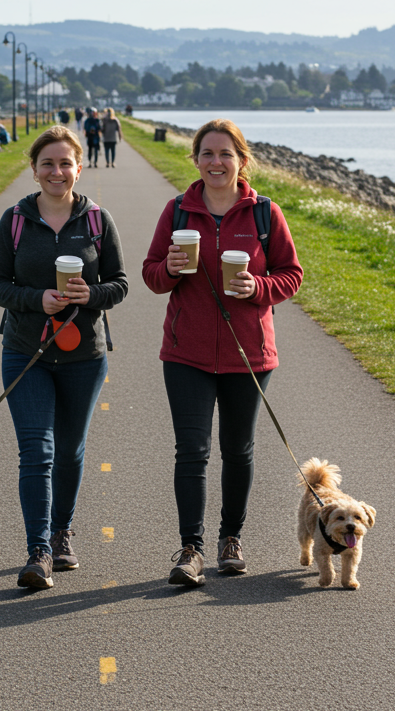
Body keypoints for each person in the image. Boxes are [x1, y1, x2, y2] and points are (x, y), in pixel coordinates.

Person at [141, 119, 303, 586]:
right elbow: (151, 276)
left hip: (248, 353)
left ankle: (230, 540)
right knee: (191, 452)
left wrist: (259, 286)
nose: (216, 162)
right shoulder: (177, 212)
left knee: (238, 450)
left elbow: (291, 275)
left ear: (242, 160)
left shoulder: (264, 214)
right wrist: (169, 269)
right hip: (185, 353)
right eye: (207, 153)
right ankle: (190, 549)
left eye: (225, 154)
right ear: (195, 160)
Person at [0, 125, 128, 590]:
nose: (57, 171)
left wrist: (90, 295)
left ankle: (62, 531)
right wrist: (34, 299)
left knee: (69, 450)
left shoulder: (97, 221)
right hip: (26, 352)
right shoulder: (15, 220)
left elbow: (121, 284)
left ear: (79, 169)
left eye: (65, 163)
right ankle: (39, 550)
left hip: (85, 354)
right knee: (37, 452)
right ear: (33, 169)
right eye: (48, 163)